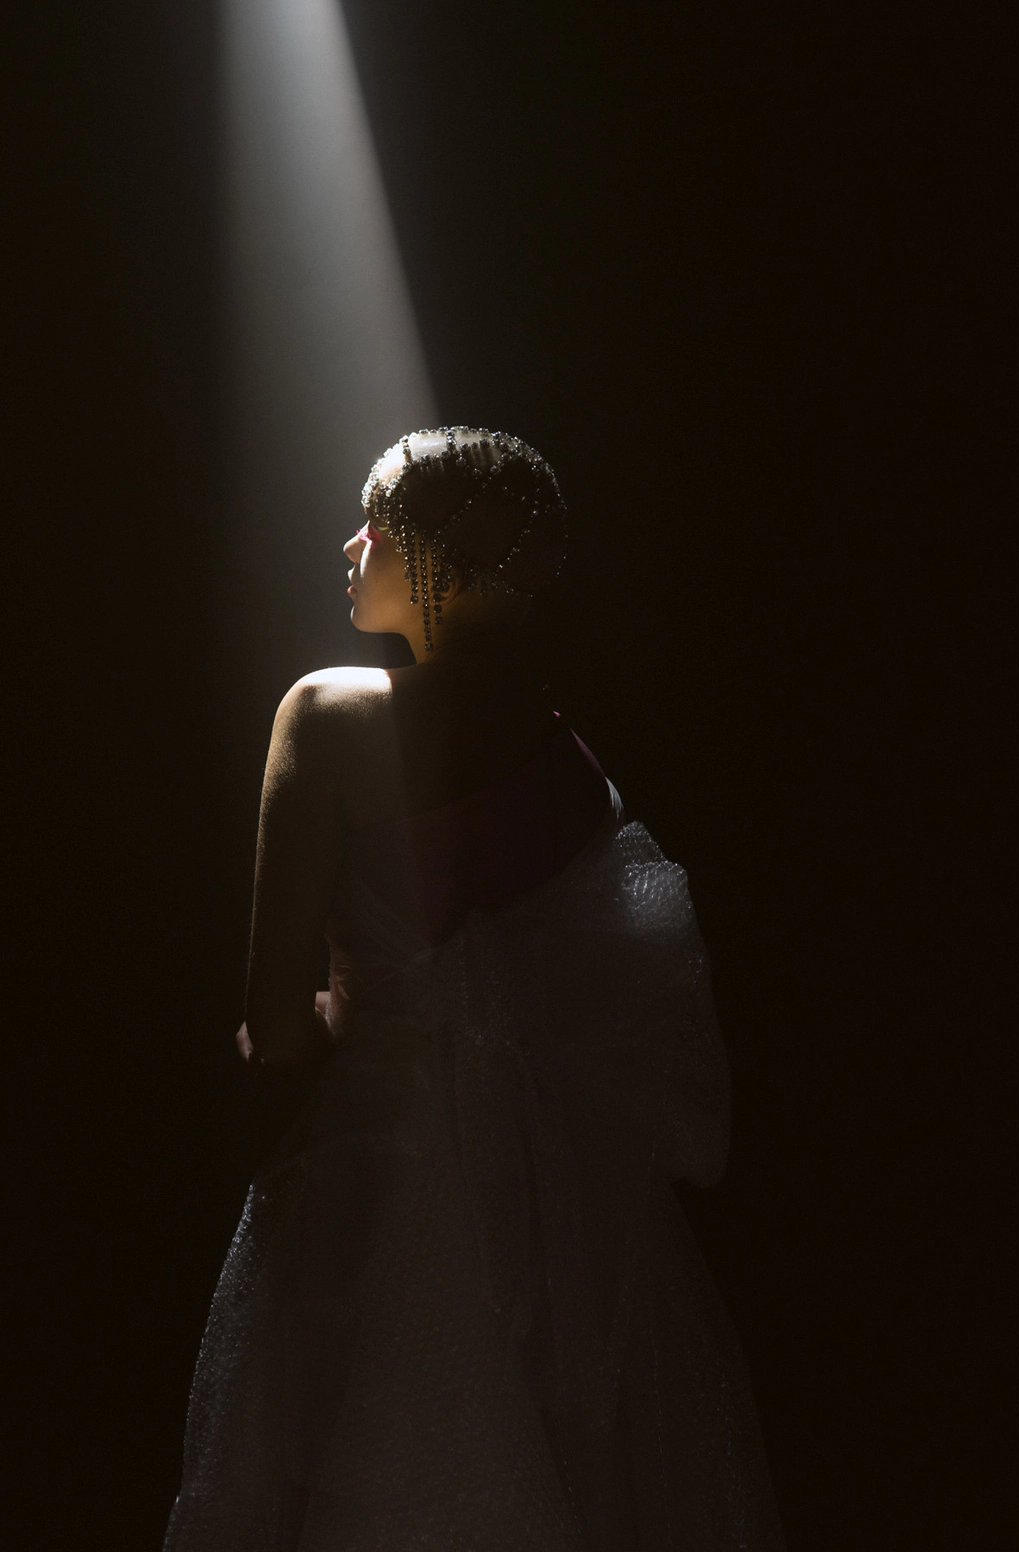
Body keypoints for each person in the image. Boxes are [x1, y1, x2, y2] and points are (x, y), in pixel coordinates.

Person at [163, 427, 785, 1550]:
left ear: (439, 559)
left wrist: (320, 1043)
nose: (350, 543)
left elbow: (275, 1027)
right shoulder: (572, 764)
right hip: (552, 1229)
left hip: (367, 1189)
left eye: (377, 522)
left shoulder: (327, 716)